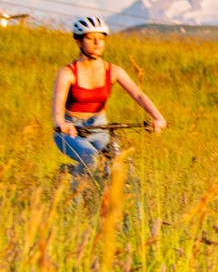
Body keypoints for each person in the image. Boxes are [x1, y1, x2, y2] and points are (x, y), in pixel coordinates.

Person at [50, 15, 166, 177]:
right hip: (71, 131)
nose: (97, 43)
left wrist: (157, 117)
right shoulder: (68, 72)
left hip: (100, 128)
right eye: (90, 38)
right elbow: (58, 103)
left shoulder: (113, 71)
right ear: (78, 42)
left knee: (121, 163)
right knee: (89, 159)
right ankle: (72, 201)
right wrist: (61, 122)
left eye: (101, 38)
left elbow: (138, 95)